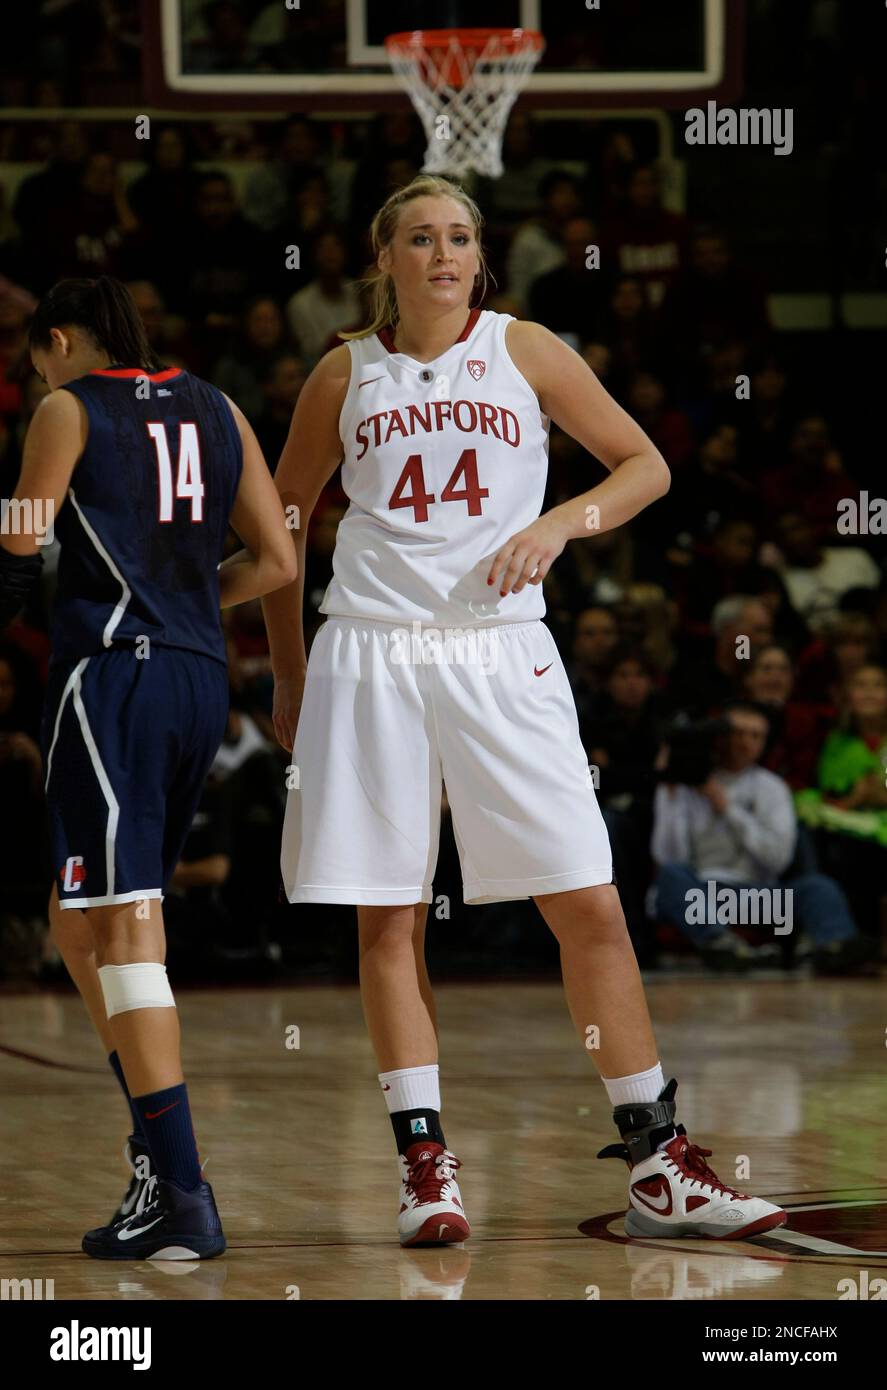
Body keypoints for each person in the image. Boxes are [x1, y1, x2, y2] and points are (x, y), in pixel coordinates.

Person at [262, 174, 787, 1244]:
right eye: (420, 237)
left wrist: (560, 523)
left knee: (586, 902)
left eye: (459, 236)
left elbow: (644, 466)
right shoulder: (341, 372)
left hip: (503, 652)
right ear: (385, 260)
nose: (443, 253)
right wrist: (286, 672)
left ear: (478, 256)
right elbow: (280, 528)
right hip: (369, 652)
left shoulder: (525, 347)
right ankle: (423, 1167)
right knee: (388, 915)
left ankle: (655, 1163)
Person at [1, 276, 296, 1259]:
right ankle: (153, 1153)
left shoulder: (65, 404)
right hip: (198, 678)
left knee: (125, 921)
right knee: (74, 915)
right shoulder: (218, 404)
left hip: (111, 682)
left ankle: (181, 1189)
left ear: (56, 341)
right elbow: (281, 561)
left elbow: (17, 543)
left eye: (35, 353)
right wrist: (191, 605)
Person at [651, 702, 862, 974]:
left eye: (755, 736)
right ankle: (721, 944)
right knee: (671, 875)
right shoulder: (685, 785)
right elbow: (668, 857)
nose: (745, 742)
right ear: (720, 736)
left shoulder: (772, 788)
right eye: (737, 733)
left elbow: (777, 859)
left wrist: (728, 809)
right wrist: (668, 790)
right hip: (702, 896)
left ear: (765, 742)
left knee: (818, 887)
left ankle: (835, 947)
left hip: (759, 898)